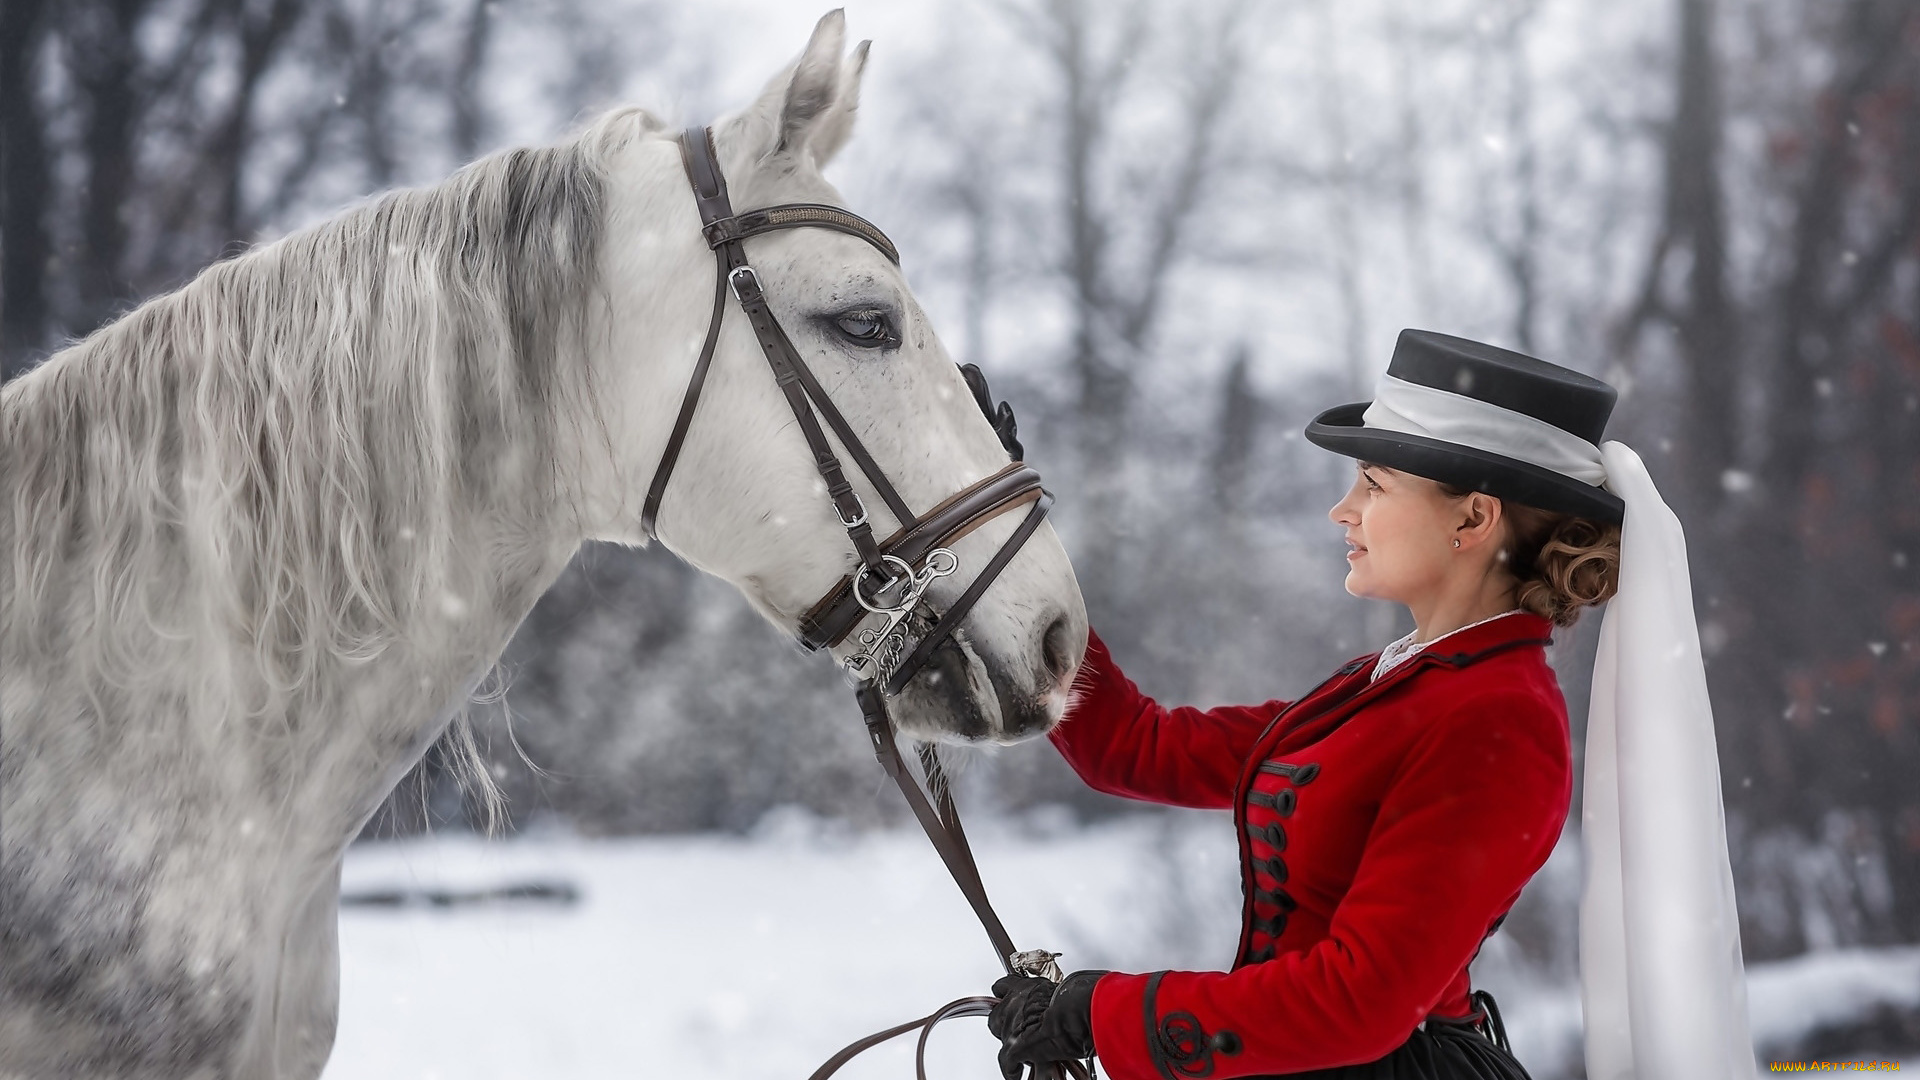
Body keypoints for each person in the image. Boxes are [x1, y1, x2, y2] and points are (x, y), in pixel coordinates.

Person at [987, 330, 1633, 1080]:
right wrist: (1012, 546)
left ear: (1472, 520)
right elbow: (1134, 747)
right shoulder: (1396, 684)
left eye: (1374, 483)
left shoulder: (1499, 718)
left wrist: (1103, 1014)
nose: (1343, 510)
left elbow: (1358, 1002)